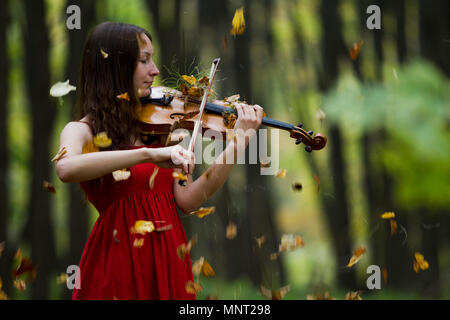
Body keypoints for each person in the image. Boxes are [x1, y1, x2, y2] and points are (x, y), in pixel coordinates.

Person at [55, 22, 264, 300]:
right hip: (118, 263)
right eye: (144, 60)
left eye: (152, 59)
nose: (154, 70)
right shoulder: (82, 131)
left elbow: (189, 200)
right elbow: (65, 168)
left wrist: (239, 141)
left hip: (169, 260)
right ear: (114, 67)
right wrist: (150, 154)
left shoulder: (159, 129)